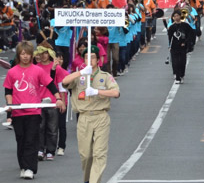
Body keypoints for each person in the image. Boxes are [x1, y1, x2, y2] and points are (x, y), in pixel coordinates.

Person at [3, 41, 65, 179]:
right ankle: (23, 166)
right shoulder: (12, 72)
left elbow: (50, 84)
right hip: (18, 112)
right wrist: (10, 106)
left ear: (32, 55)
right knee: (21, 140)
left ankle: (30, 168)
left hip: (34, 112)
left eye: (27, 54)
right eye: (22, 54)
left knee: (31, 140)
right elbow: (8, 90)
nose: (25, 56)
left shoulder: (38, 70)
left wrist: (58, 98)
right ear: (19, 55)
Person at [62, 45, 120, 183]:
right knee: (86, 155)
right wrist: (81, 73)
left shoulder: (105, 76)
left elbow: (116, 93)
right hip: (84, 117)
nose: (90, 60)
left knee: (99, 153)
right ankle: (88, 180)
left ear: (98, 60)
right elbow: (64, 82)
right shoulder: (79, 75)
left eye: (93, 57)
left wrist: (97, 92)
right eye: (87, 57)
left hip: (101, 116)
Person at [34, 40, 68, 161]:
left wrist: (62, 102)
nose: (43, 55)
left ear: (49, 54)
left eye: (45, 53)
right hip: (39, 101)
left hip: (54, 101)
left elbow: (61, 86)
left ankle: (50, 150)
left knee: (52, 128)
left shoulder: (56, 68)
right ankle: (40, 149)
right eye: (40, 53)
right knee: (40, 127)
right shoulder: (35, 68)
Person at [168, 10, 193, 84]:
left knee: (182, 62)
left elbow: (190, 34)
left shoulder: (185, 25)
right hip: (174, 47)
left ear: (180, 16)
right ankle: (177, 78)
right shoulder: (172, 27)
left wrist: (185, 42)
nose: (176, 17)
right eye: (174, 16)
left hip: (183, 47)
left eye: (177, 16)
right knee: (175, 63)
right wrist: (169, 46)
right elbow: (170, 37)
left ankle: (182, 75)